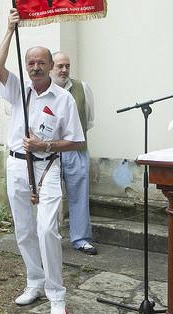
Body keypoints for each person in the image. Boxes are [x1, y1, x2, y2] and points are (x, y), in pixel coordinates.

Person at [0, 9, 84, 314]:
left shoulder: (63, 99)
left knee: (47, 229)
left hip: (47, 166)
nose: (35, 67)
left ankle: (57, 293)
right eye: (30, 63)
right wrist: (8, 30)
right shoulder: (20, 91)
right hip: (17, 165)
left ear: (50, 66)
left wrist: (45, 144)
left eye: (40, 63)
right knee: (24, 230)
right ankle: (34, 280)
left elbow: (76, 141)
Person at [51, 51, 97, 255]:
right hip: (50, 152)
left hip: (75, 152)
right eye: (60, 66)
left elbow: (90, 119)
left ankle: (81, 239)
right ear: (51, 67)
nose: (64, 70)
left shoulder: (82, 88)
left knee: (79, 196)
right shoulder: (43, 89)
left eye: (67, 66)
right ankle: (50, 238)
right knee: (50, 197)